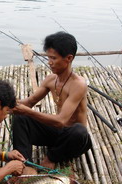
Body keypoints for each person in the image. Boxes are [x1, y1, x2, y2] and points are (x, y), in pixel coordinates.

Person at [12, 31, 92, 170]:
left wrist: (28, 111)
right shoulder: (51, 79)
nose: (49, 62)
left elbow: (61, 120)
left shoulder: (78, 84)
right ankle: (23, 162)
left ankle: (51, 158)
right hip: (56, 133)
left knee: (79, 131)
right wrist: (11, 104)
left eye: (54, 58)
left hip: (72, 140)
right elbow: (30, 102)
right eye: (48, 58)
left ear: (68, 58)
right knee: (21, 118)